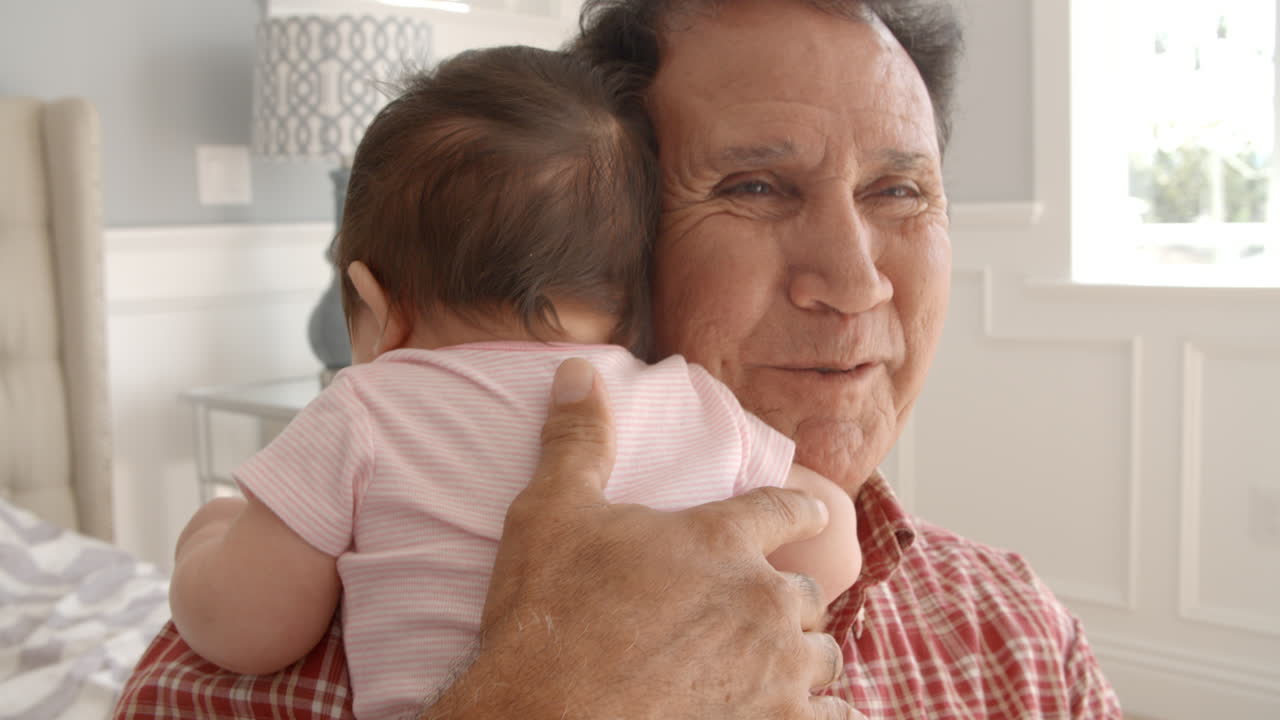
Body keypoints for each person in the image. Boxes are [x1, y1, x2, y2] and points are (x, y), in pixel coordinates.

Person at [116, 1, 1123, 718]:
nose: (855, 282)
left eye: (899, 192)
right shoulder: (261, 671)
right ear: (617, 256)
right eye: (755, 188)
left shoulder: (1011, 634)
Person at [164, 44, 859, 720]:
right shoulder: (694, 403)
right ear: (634, 304)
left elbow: (248, 628)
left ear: (376, 306)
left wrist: (208, 533)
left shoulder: (365, 409)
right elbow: (826, 541)